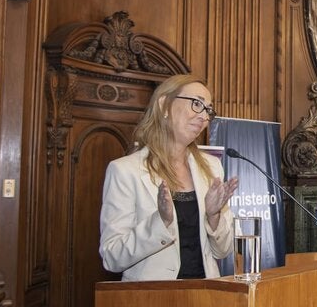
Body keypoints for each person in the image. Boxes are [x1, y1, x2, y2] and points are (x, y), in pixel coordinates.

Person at [99, 74, 238, 281]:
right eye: (196, 104)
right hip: (154, 301)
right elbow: (112, 256)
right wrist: (161, 222)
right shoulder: (125, 171)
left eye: (208, 109)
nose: (204, 117)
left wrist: (213, 216)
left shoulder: (212, 167)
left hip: (206, 297)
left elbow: (223, 251)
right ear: (164, 105)